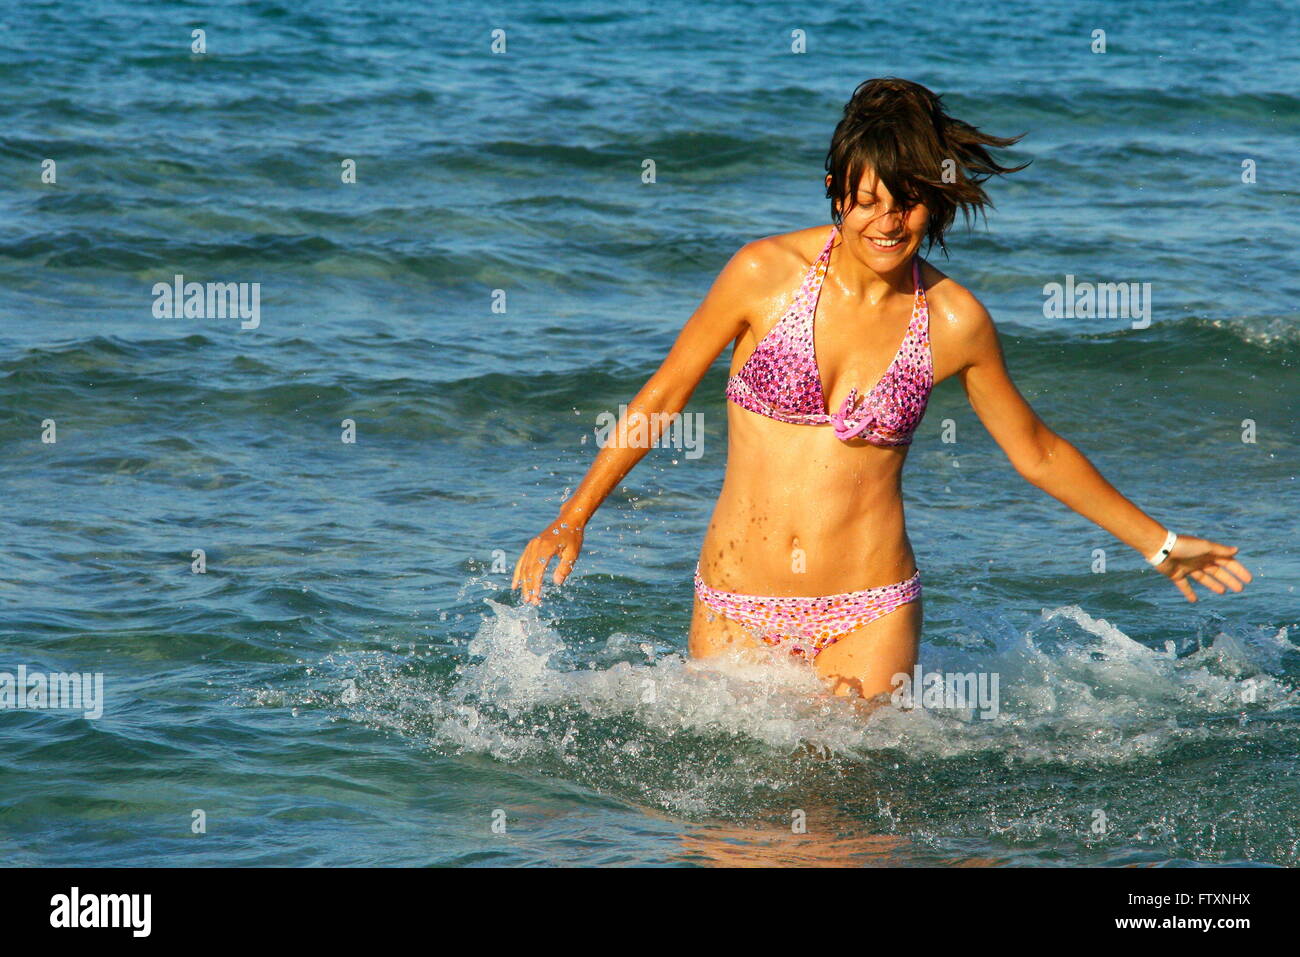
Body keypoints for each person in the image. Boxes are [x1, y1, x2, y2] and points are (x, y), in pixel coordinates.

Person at [512, 77, 1252, 702]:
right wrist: (573, 515)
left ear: (937, 198)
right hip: (738, 600)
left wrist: (1158, 544)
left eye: (909, 202)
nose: (889, 223)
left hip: (871, 610)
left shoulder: (953, 320)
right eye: (868, 200)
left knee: (850, 830)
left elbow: (1038, 452)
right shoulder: (762, 275)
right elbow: (663, 396)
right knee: (730, 834)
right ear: (836, 191)